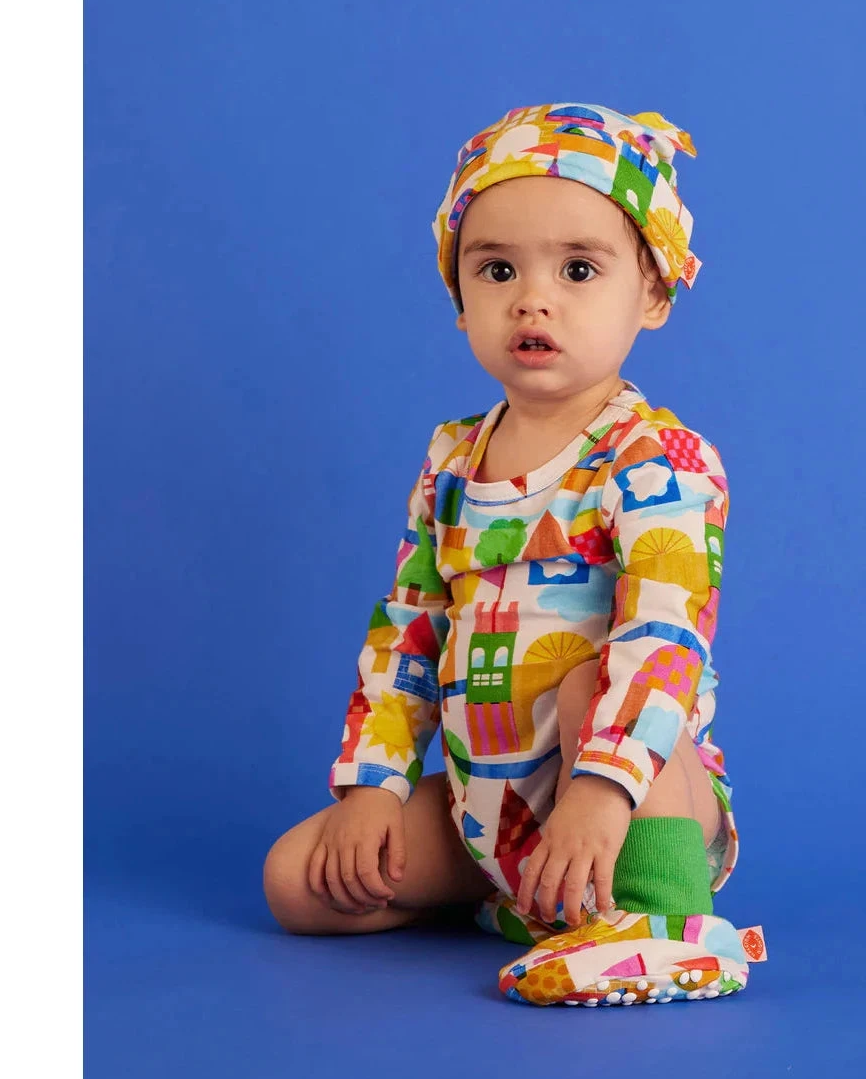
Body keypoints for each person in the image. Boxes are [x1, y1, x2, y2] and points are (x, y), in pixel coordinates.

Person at [263, 102, 766, 1007]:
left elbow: (666, 641)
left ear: (653, 295)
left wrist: (600, 794)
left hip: (631, 793)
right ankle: (530, 900)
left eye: (579, 269)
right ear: (461, 302)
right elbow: (409, 629)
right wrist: (374, 787)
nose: (534, 299)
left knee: (585, 682)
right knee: (297, 882)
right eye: (497, 270)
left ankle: (663, 920)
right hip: (489, 812)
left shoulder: (656, 460)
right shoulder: (452, 460)